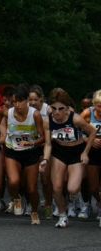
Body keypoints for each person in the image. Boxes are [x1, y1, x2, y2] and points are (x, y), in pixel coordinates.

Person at [39, 88, 96, 228]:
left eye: (60, 108)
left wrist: (85, 152)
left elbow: (92, 131)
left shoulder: (75, 118)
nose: (57, 112)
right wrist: (45, 159)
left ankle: (74, 198)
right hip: (59, 151)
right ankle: (63, 215)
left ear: (67, 108)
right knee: (57, 188)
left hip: (76, 152)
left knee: (72, 189)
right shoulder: (47, 121)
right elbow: (47, 144)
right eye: (54, 108)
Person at [0, 84, 45, 225]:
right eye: (14, 101)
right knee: (14, 181)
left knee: (32, 188)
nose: (17, 105)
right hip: (13, 150)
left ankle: (34, 211)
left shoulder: (35, 114)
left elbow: (43, 137)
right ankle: (16, 198)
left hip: (31, 152)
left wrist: (32, 143)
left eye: (20, 101)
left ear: (27, 100)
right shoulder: (8, 112)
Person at [28, 85, 53, 219]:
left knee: (44, 180)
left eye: (35, 99)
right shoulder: (26, 110)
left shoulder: (48, 110)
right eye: (30, 99)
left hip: (45, 146)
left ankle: (48, 204)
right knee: (29, 180)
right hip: (31, 146)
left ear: (41, 99)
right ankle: (31, 204)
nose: (32, 103)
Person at [80, 90, 101, 223]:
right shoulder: (87, 113)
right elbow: (75, 131)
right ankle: (96, 202)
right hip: (92, 153)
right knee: (93, 187)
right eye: (99, 106)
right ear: (94, 105)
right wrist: (89, 140)